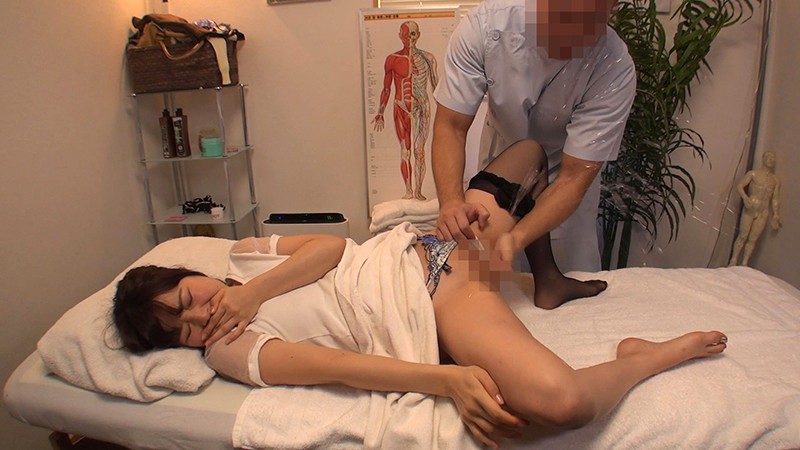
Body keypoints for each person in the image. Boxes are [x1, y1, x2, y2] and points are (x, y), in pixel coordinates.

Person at [114, 141, 727, 448]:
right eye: (182, 331)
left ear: (186, 275)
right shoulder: (229, 349)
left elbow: (332, 248)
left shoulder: (243, 258)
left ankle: (545, 278)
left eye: (187, 299)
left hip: (422, 250)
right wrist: (447, 381)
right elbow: (338, 367)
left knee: (528, 153)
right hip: (435, 295)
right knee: (562, 403)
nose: (201, 317)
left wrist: (254, 291)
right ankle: (644, 357)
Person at [431, 0, 636, 307]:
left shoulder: (613, 66)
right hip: (503, 169)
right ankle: (547, 281)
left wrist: (517, 237)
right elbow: (451, 126)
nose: (572, 29)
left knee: (567, 308)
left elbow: (573, 178)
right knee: (476, 287)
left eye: (589, 19)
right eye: (563, 13)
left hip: (566, 182)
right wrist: (450, 201)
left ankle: (550, 281)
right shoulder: (486, 26)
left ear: (611, 8)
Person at [373, 20, 438, 201]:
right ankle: (409, 190)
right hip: (400, 108)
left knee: (419, 151)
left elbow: (436, 87)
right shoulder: (392, 59)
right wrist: (380, 112)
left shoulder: (428, 58)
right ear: (400, 36)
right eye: (406, 34)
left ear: (418, 35)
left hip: (421, 109)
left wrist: (444, 115)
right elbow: (386, 88)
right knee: (405, 152)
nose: (409, 38)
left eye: (413, 34)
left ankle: (418, 191)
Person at [729, 150, 782, 266]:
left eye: (773, 158)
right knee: (743, 235)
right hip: (751, 206)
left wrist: (776, 214)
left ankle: (745, 262)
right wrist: (745, 198)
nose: (771, 160)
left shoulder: (775, 180)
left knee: (753, 238)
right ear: (763, 158)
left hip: (763, 210)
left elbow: (775, 198)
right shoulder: (753, 174)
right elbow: (740, 186)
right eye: (769, 157)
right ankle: (733, 260)